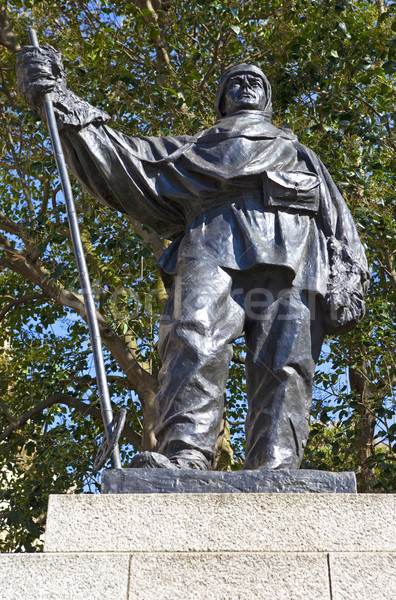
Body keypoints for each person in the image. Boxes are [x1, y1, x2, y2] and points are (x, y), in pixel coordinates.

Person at [17, 47, 369, 471]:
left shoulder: (301, 155)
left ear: (268, 99)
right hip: (211, 242)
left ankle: (277, 468)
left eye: (255, 80)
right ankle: (185, 454)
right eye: (234, 81)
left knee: (286, 361)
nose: (245, 84)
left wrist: (350, 276)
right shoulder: (190, 152)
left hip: (297, 255)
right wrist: (55, 97)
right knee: (191, 337)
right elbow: (123, 158)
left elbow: (339, 221)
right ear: (221, 101)